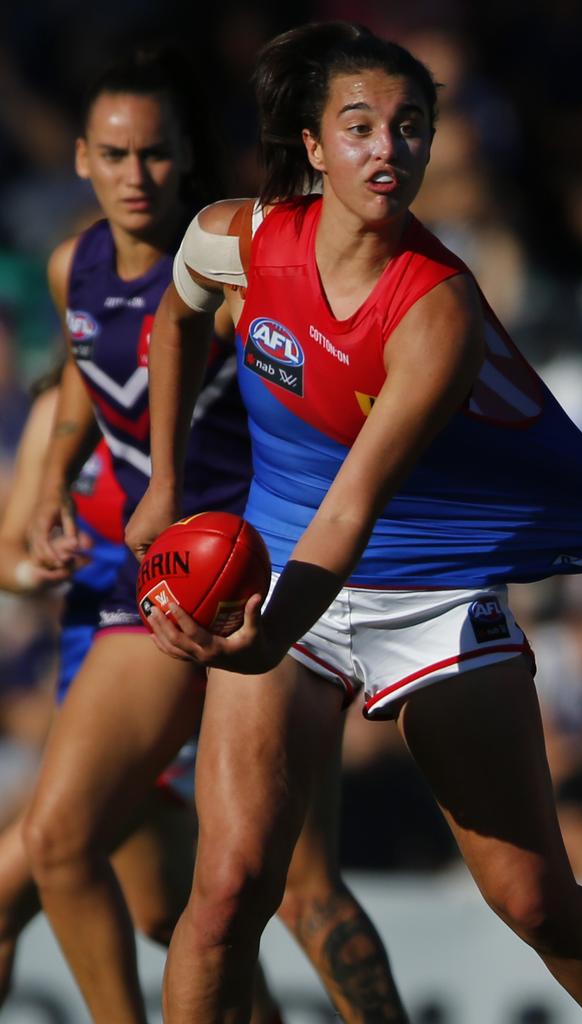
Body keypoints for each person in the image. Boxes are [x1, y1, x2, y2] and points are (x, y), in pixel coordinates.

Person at [126, 22, 582, 1023]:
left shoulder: (439, 308)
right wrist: (166, 485)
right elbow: (172, 318)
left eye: (411, 127)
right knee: (227, 893)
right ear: (314, 147)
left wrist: (267, 638)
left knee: (534, 899)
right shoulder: (233, 239)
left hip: (426, 587)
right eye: (362, 126)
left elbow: (355, 503)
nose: (391, 148)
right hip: (286, 576)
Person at [21, 48, 407, 1024]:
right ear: (80, 158)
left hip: (218, 574)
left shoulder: (237, 276)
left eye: (155, 154)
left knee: (103, 856)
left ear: (186, 156)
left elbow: (324, 393)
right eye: (115, 154)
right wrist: (47, 486)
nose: (136, 174)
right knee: (184, 907)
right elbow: (81, 382)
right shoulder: (77, 264)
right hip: (132, 577)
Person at [0, 366, 201, 1008]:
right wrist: (35, 565)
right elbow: (8, 553)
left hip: (158, 667)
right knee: (168, 916)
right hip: (88, 680)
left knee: (15, 887)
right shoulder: (55, 411)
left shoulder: (192, 402)